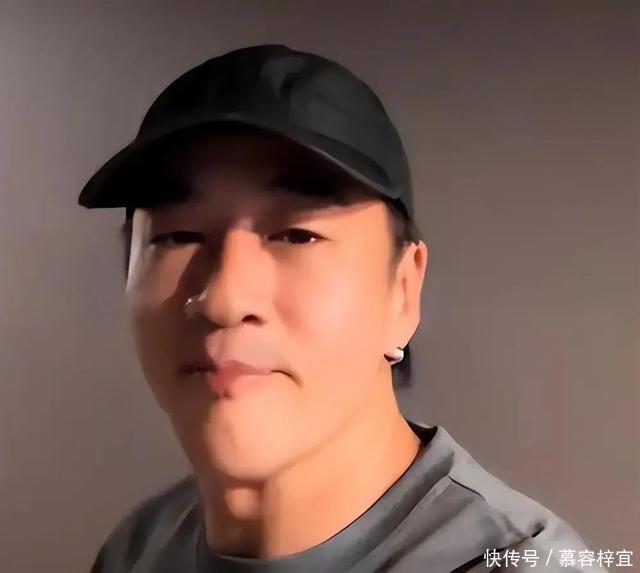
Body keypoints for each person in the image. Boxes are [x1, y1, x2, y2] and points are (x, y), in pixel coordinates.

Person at [79, 44, 606, 573]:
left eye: (297, 235)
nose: (224, 300)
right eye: (177, 236)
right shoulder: (138, 549)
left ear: (403, 290)